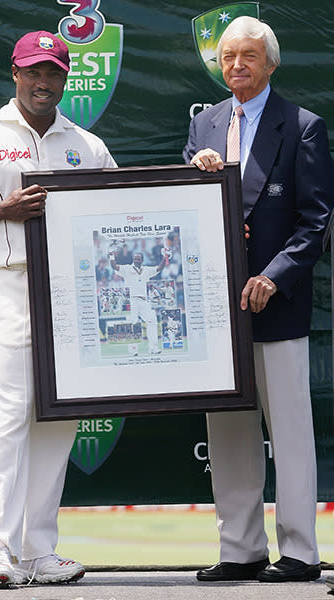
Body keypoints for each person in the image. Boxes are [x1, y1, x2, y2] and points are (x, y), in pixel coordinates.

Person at [0, 30, 117, 588]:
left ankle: (38, 550)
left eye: (55, 73)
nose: (44, 82)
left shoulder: (85, 145)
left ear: (65, 79)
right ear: (14, 73)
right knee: (10, 418)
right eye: (34, 71)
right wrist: (2, 210)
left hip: (75, 293)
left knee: (58, 419)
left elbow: (117, 214)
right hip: (11, 285)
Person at [183, 16, 334, 583]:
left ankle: (299, 553)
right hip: (213, 307)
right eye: (228, 57)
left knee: (290, 433)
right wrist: (193, 173)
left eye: (249, 56)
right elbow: (187, 212)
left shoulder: (303, 127)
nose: (237, 66)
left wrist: (273, 275)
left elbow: (315, 221)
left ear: (271, 62)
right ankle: (241, 550)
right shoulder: (205, 126)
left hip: (277, 303)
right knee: (227, 431)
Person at [110, 250, 167, 355]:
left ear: (142, 260)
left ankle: (153, 348)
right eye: (135, 258)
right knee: (133, 323)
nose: (136, 260)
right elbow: (114, 267)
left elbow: (159, 268)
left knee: (152, 321)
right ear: (133, 259)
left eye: (138, 259)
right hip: (130, 300)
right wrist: (112, 256)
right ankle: (133, 350)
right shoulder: (126, 268)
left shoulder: (146, 270)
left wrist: (164, 258)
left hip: (143, 300)